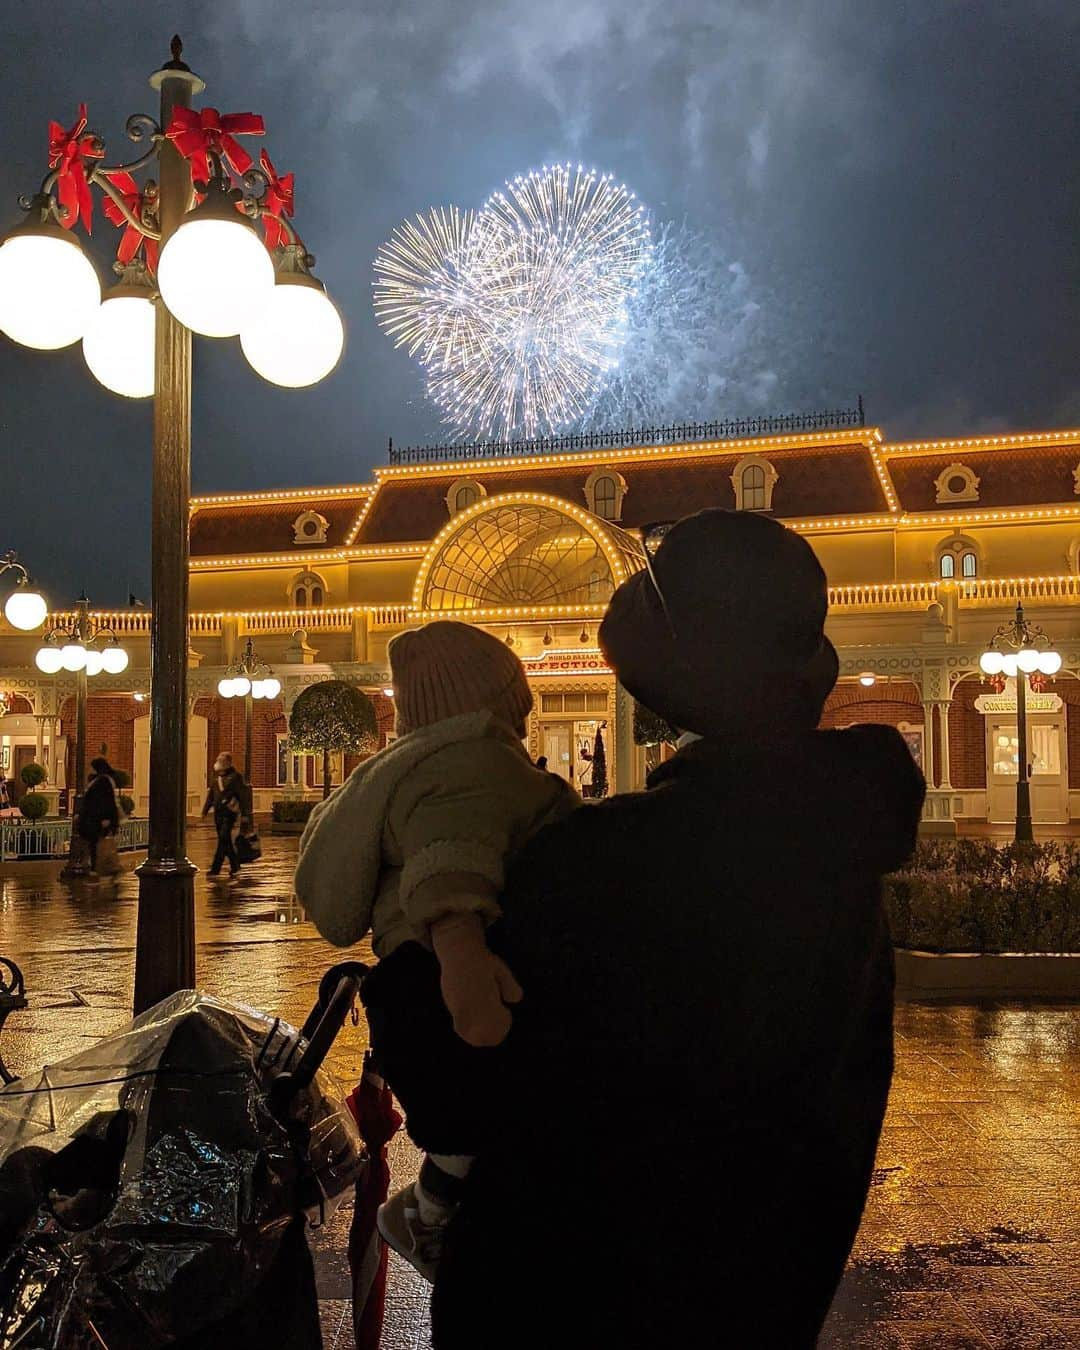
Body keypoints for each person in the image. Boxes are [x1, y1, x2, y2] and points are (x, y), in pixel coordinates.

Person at [433, 510, 926, 1349]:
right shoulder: (840, 843)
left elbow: (462, 1081)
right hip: (765, 1292)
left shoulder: (599, 859)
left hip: (565, 1296)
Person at [293, 621, 578, 1280]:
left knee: (466, 1132)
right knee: (477, 1119)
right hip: (444, 983)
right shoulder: (470, 761)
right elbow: (452, 864)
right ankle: (433, 1217)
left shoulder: (407, 767)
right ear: (488, 695)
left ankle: (434, 1209)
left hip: (412, 983)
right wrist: (464, 962)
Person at [201, 753, 251, 878]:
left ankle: (215, 868)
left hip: (229, 814)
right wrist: (205, 811)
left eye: (220, 760)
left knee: (223, 837)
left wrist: (245, 814)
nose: (217, 762)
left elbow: (242, 797)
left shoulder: (235, 777)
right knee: (225, 841)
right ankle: (235, 865)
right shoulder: (216, 778)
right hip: (218, 813)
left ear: (227, 763)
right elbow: (211, 796)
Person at [77, 757, 120, 875]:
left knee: (96, 843)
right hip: (94, 818)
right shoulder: (99, 780)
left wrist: (106, 817)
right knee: (94, 842)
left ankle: (97, 868)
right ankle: (96, 867)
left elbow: (106, 800)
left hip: (97, 818)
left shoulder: (103, 781)